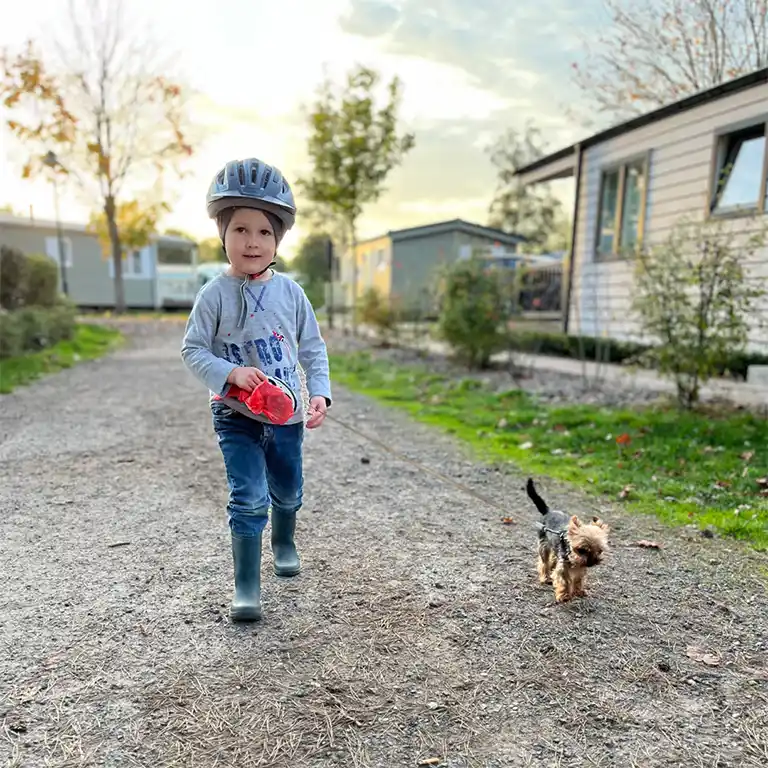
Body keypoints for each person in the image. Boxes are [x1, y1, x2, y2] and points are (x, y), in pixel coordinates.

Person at [181, 157, 332, 622]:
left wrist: (320, 392)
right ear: (222, 233)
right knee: (248, 496)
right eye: (241, 229)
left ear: (278, 239)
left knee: (288, 491)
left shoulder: (292, 294)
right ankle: (246, 586)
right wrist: (230, 373)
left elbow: (313, 348)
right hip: (236, 415)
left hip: (286, 416)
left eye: (264, 231)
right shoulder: (213, 295)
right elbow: (192, 350)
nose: (252, 241)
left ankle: (283, 540)